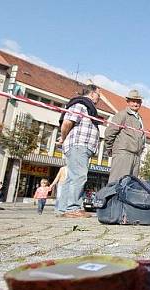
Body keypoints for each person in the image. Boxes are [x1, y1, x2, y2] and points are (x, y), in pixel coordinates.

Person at [56, 84, 102, 218]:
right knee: (79, 176)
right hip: (78, 145)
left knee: (71, 178)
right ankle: (73, 208)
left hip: (81, 146)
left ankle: (62, 209)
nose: (99, 99)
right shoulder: (81, 104)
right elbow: (67, 123)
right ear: (92, 93)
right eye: (98, 95)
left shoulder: (87, 107)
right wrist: (64, 138)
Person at [106, 89, 146, 183]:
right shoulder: (122, 115)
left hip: (136, 155)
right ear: (128, 102)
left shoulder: (139, 118)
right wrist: (111, 149)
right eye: (133, 101)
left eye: (138, 101)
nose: (135, 104)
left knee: (130, 186)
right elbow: (109, 133)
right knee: (117, 183)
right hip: (124, 153)